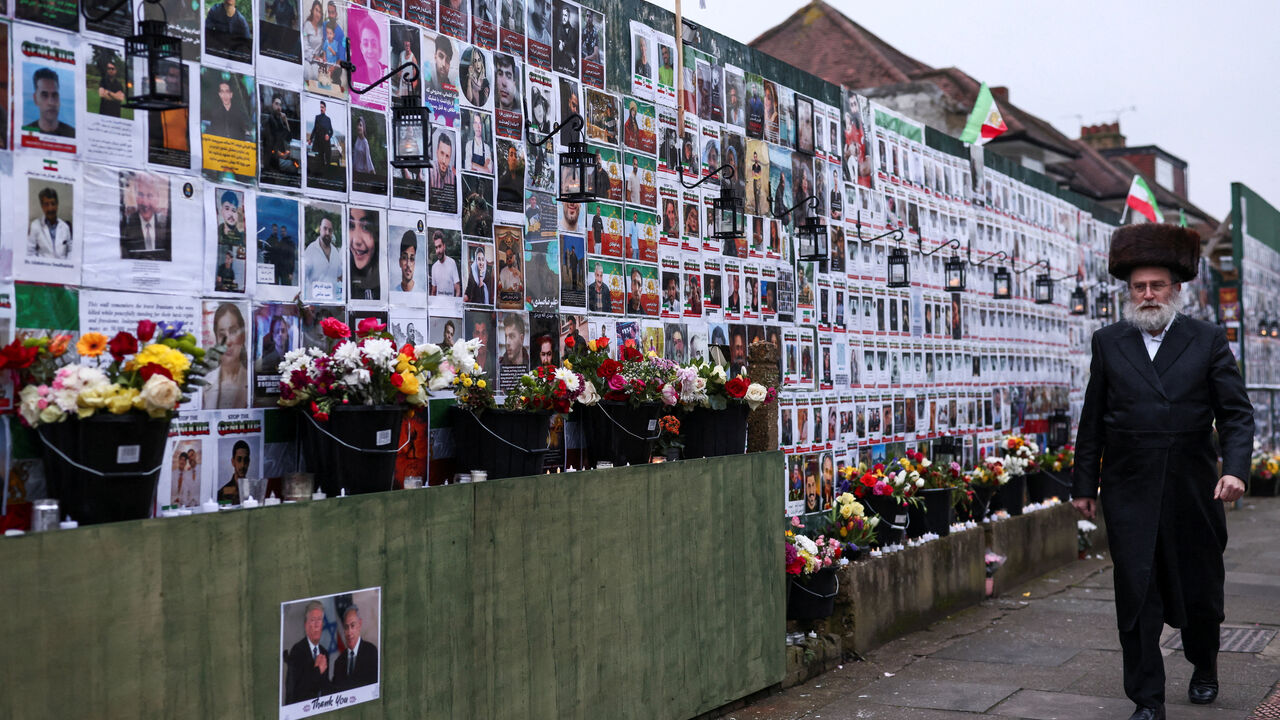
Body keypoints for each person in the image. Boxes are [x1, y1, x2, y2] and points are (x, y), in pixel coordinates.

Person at [1072, 224, 1252, 720]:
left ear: (1176, 289)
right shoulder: (1109, 342)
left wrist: (1235, 470)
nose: (1148, 295)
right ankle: (1147, 699)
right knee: (1136, 594)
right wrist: (1084, 484)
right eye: (1139, 287)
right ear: (1129, 292)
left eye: (1157, 286)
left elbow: (1235, 414)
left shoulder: (1207, 339)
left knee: (1199, 591)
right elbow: (1093, 419)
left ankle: (1204, 664)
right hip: (1129, 488)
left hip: (1194, 487)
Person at [285, 601, 333, 704]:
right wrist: (317, 670)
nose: (316, 625)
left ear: (322, 624)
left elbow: (324, 688)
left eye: (319, 620)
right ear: (306, 625)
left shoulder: (324, 653)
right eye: (312, 620)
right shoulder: (297, 651)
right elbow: (295, 692)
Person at [120, 173, 172, 260]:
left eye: (150, 195)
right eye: (140, 195)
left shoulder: (165, 225)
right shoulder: (126, 227)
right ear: (136, 196)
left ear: (157, 198)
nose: (145, 203)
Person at [206, 303, 249, 409]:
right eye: (222, 335)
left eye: (233, 332)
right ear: (216, 339)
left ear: (243, 336)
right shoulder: (205, 383)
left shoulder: (251, 380)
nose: (228, 341)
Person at [332, 605, 378, 692]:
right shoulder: (339, 662)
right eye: (346, 627)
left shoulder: (371, 652)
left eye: (352, 625)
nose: (349, 632)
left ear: (359, 624)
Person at [24, 68, 74, 137]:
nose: (51, 102)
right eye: (44, 95)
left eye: (55, 95)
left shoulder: (72, 134)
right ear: (35, 99)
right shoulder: (26, 131)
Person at [304, 215, 343, 299]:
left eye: (330, 230)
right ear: (320, 229)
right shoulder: (311, 250)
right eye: (325, 229)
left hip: (332, 305)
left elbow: (340, 275)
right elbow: (302, 277)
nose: (327, 233)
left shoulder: (335, 252)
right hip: (314, 304)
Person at [28, 187, 72, 259]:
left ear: (57, 205)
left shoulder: (65, 227)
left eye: (53, 203)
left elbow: (71, 250)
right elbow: (30, 252)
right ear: (42, 207)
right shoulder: (35, 225)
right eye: (46, 204)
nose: (50, 208)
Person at [348, 208, 380, 300]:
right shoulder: (344, 274)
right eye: (351, 225)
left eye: (365, 227)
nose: (356, 241)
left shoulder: (385, 280)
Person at [262, 95, 295, 175]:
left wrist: (286, 121)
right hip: (272, 159)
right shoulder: (269, 121)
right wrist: (281, 155)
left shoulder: (279, 121)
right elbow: (269, 145)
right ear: (272, 105)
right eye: (276, 104)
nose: (279, 107)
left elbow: (289, 137)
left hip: (279, 157)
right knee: (293, 167)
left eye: (280, 105)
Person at [216, 439, 250, 503]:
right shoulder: (221, 493)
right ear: (233, 462)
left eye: (245, 460)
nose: (242, 465)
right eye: (239, 460)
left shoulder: (254, 491)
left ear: (249, 462)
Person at [429, 230, 461, 296]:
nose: (438, 250)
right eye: (436, 247)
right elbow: (433, 292)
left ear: (444, 246)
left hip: (450, 305)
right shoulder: (434, 267)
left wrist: (454, 305)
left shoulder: (452, 263)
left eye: (440, 246)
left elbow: (458, 290)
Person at [308, 101, 335, 176]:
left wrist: (328, 136)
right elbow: (314, 129)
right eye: (320, 107)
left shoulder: (328, 119)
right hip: (319, 143)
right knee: (320, 160)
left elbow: (331, 131)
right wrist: (310, 139)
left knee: (328, 159)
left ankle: (328, 174)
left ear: (325, 108)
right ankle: (321, 175)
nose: (321, 109)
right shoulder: (317, 117)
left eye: (322, 107)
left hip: (326, 143)